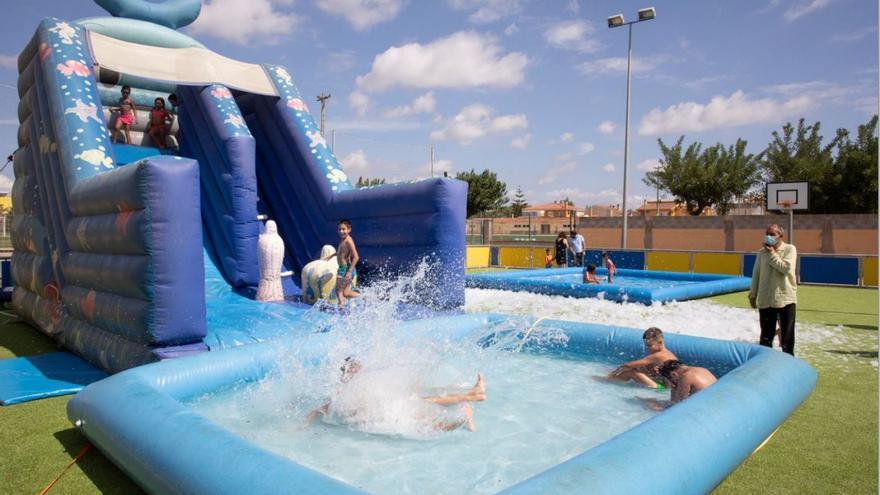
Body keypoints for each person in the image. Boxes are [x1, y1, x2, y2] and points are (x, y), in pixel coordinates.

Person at [305, 357, 487, 432]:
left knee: (423, 401)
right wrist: (304, 425)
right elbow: (320, 409)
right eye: (353, 373)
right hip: (387, 412)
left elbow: (319, 410)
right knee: (425, 417)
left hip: (390, 407)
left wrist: (304, 424)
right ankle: (466, 408)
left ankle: (470, 397)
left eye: (357, 372)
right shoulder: (343, 394)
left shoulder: (355, 389)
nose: (356, 377)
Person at [748, 224, 797, 355]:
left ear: (781, 236)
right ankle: (765, 363)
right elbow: (756, 274)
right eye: (767, 234)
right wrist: (753, 294)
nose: (769, 237)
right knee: (766, 336)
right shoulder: (761, 252)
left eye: (772, 234)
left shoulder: (789, 249)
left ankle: (788, 362)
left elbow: (786, 268)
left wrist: (772, 253)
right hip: (765, 300)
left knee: (787, 337)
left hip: (785, 299)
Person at [598, 327, 676, 389]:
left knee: (631, 372)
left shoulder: (658, 355)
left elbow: (628, 365)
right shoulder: (667, 353)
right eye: (646, 345)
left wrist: (612, 374)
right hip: (667, 386)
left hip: (662, 388)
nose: (647, 348)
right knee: (643, 367)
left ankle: (609, 380)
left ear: (660, 342)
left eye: (649, 345)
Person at [637, 360, 717, 411]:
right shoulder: (701, 369)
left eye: (670, 379)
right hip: (716, 402)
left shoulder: (686, 377)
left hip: (708, 408)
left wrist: (655, 407)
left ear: (674, 374)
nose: (673, 383)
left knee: (653, 406)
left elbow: (677, 405)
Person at [335, 218, 360, 308]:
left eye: (344, 229)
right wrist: (333, 255)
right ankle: (364, 297)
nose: (341, 231)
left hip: (344, 269)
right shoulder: (343, 240)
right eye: (339, 229)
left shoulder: (348, 240)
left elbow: (356, 257)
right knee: (346, 292)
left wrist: (349, 271)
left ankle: (341, 307)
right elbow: (342, 252)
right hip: (345, 268)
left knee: (338, 291)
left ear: (349, 230)